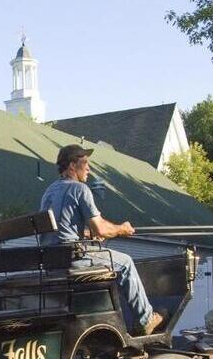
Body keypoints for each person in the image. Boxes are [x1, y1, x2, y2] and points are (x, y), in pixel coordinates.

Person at [40, 144, 163, 336]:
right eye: (85, 163)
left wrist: (88, 235)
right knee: (126, 263)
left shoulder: (49, 191)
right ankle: (145, 319)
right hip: (72, 259)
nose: (89, 168)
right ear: (72, 166)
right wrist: (122, 228)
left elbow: (62, 229)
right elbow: (101, 228)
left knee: (111, 259)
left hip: (51, 259)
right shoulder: (79, 189)